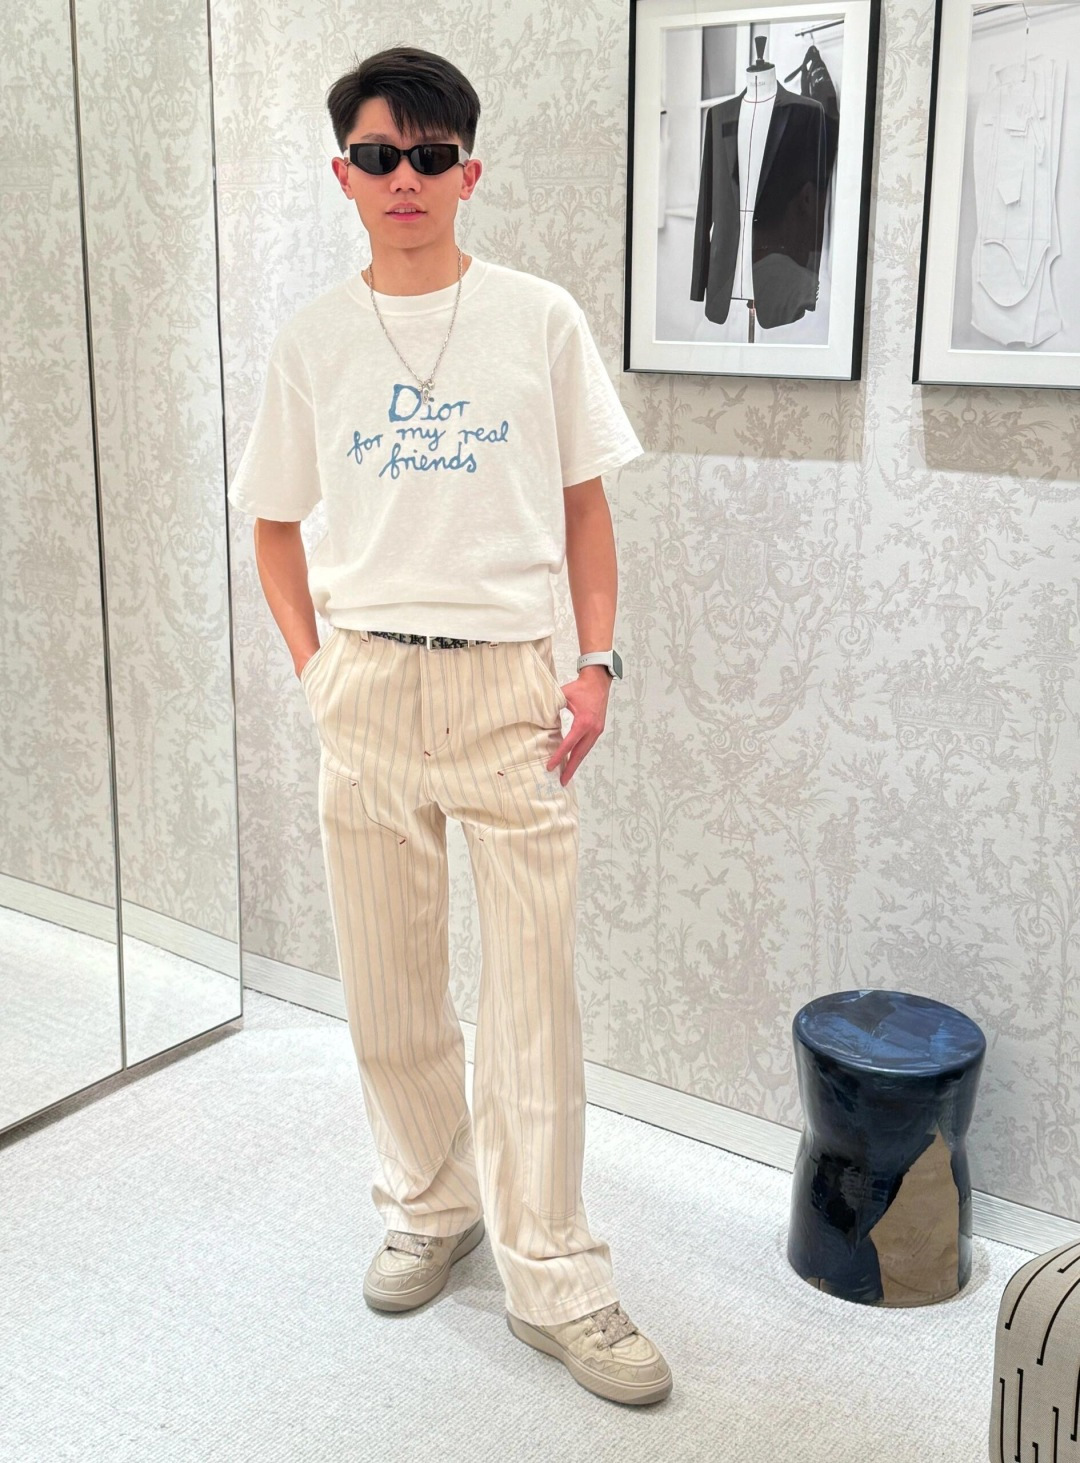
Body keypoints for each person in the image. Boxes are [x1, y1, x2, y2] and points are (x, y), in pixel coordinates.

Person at [227, 44, 672, 1407]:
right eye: (380, 156)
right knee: (389, 984)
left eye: (430, 156)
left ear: (468, 172)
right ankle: (430, 1205)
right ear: (344, 175)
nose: (404, 177)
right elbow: (274, 528)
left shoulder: (537, 318)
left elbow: (586, 507)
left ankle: (558, 1274)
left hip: (506, 690)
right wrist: (317, 673)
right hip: (366, 686)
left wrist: (595, 666)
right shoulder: (313, 340)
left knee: (531, 993)